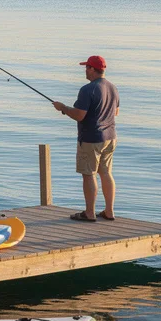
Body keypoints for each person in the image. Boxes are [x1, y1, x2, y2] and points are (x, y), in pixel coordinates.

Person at [53, 55, 120, 222]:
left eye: (86, 67)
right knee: (106, 173)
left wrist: (63, 108)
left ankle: (90, 213)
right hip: (110, 137)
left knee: (88, 174)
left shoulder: (87, 89)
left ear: (92, 69)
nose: (85, 70)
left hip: (91, 139)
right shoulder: (113, 87)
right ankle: (109, 211)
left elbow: (79, 115)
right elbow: (116, 112)